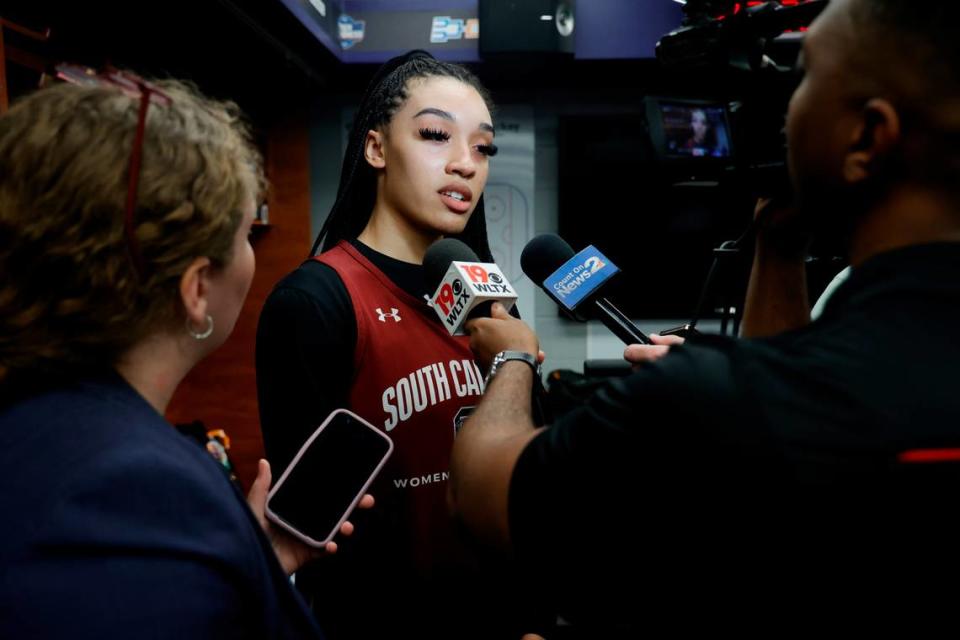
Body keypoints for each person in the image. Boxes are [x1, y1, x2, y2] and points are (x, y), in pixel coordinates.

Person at [450, 0, 960, 630]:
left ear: (865, 137)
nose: (781, 111)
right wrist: (777, 245)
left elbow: (484, 492)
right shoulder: (784, 392)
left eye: (803, 79)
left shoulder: (713, 404)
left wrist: (512, 356)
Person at [0, 70, 370, 638]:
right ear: (196, 289)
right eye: (247, 232)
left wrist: (251, 556)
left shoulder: (34, 424)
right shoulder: (138, 496)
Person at [256, 51, 539, 639]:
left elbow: (523, 486)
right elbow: (312, 532)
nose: (466, 164)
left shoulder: (488, 300)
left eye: (483, 147)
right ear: (376, 148)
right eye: (437, 135)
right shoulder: (315, 301)